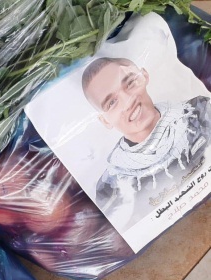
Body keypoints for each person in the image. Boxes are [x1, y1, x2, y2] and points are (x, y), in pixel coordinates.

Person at [81, 57, 211, 228]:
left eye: (129, 83)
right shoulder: (111, 186)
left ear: (144, 76)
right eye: (112, 102)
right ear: (105, 121)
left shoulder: (200, 112)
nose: (128, 101)